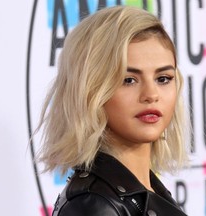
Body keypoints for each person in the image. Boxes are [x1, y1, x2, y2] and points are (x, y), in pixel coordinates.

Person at [37, 5, 189, 216]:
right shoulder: (93, 206)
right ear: (91, 90)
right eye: (128, 80)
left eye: (163, 79)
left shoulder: (149, 191)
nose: (151, 94)